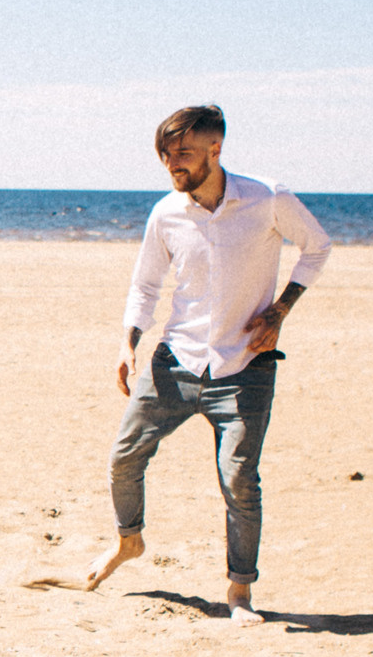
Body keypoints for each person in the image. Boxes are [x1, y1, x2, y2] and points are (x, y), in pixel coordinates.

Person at [80, 106, 332, 622]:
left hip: (246, 365)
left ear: (215, 150)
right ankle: (130, 542)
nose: (173, 163)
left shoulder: (267, 199)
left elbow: (317, 246)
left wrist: (279, 312)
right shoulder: (166, 213)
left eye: (184, 153)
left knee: (238, 478)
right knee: (124, 457)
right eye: (166, 154)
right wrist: (129, 342)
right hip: (175, 361)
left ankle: (239, 593)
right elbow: (146, 284)